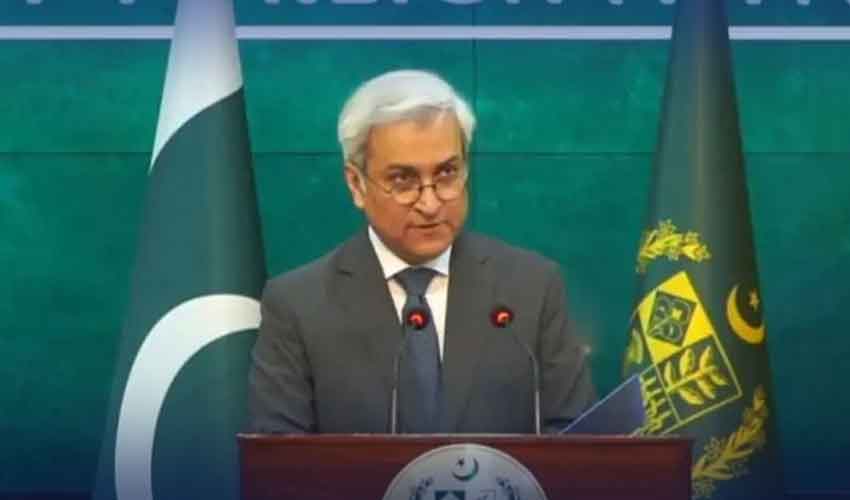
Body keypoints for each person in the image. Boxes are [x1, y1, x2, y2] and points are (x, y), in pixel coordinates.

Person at [248, 70, 595, 434]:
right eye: (402, 180)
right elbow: (280, 454)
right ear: (356, 184)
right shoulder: (298, 306)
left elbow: (576, 437)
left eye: (446, 173)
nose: (430, 204)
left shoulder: (532, 288)